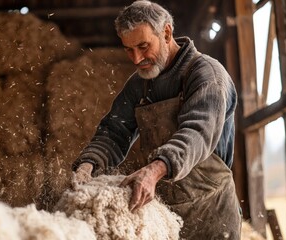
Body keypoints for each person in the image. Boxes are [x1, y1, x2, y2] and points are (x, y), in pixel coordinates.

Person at [71, 0, 241, 239]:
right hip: (162, 217)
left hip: (211, 214)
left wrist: (153, 171)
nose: (136, 59)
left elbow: (197, 132)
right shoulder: (138, 85)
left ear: (167, 33)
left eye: (143, 46)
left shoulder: (206, 75)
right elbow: (114, 131)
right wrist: (88, 165)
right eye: (129, 49)